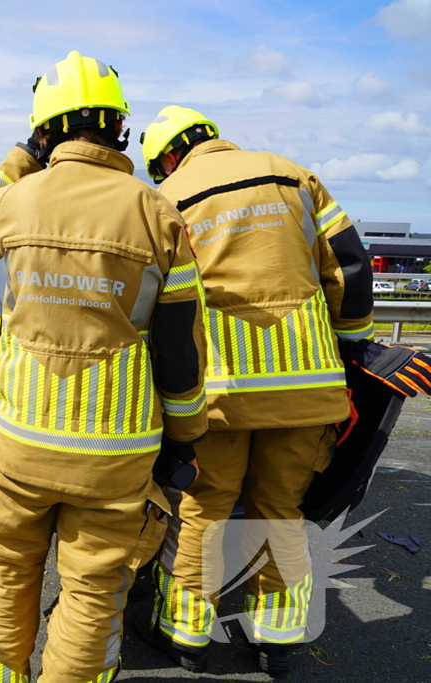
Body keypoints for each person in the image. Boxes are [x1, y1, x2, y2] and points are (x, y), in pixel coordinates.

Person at [0, 52, 208, 683]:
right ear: (121, 129)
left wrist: (22, 157)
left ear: (43, 134)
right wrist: (185, 441)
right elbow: (179, 350)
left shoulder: (13, 202)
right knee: (94, 596)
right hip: (117, 456)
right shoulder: (158, 215)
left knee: (7, 574)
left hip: (18, 447)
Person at [138, 106, 374, 677]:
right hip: (306, 391)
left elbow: (158, 300)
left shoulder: (167, 197)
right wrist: (350, 347)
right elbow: (349, 268)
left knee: (203, 510)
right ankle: (280, 638)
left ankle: (186, 633)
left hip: (220, 394)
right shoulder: (293, 176)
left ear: (167, 156)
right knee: (280, 510)